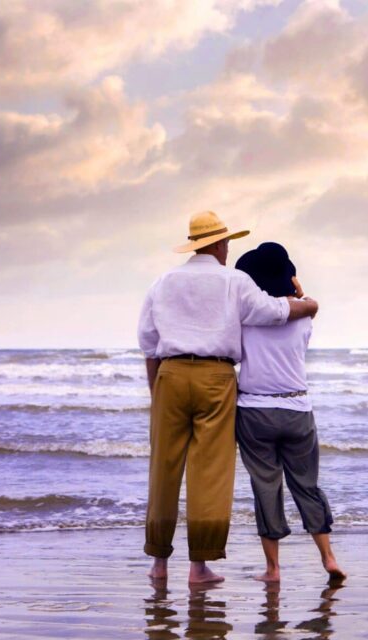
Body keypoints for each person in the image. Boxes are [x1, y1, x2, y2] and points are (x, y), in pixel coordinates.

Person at [137, 211, 319, 585]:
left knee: (164, 471)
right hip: (216, 376)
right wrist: (309, 305)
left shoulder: (163, 281)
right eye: (227, 244)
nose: (228, 249)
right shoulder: (234, 280)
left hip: (170, 374)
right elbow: (273, 312)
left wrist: (157, 392)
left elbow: (149, 342)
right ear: (219, 244)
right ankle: (198, 567)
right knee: (210, 472)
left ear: (194, 245)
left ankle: (158, 564)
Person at [233, 242, 346, 583]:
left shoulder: (245, 318)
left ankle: (273, 569)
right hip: (297, 408)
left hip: (255, 411)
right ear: (289, 279)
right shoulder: (305, 317)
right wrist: (300, 291)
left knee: (266, 486)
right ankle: (328, 557)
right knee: (306, 485)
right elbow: (304, 307)